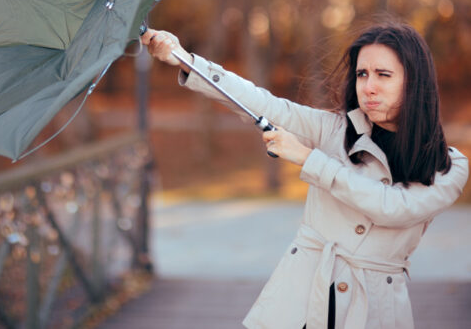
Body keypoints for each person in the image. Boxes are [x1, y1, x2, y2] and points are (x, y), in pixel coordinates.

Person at [141, 22, 469, 329]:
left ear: (415, 81)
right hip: (300, 298)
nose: (368, 87)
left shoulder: (448, 165)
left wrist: (307, 158)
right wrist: (185, 60)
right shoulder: (333, 130)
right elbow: (263, 103)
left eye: (383, 75)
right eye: (362, 73)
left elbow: (392, 208)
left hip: (375, 311)